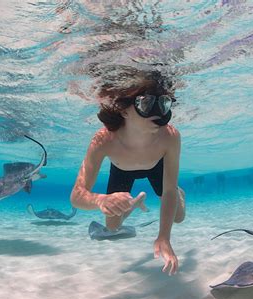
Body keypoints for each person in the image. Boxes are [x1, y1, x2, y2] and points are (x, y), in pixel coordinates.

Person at [70, 69, 186, 275]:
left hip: (155, 168)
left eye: (163, 103)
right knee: (112, 226)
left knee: (178, 217)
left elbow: (167, 192)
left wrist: (163, 237)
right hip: (122, 170)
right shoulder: (104, 140)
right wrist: (101, 200)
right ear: (124, 110)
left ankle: (181, 194)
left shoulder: (170, 136)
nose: (157, 112)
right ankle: (133, 204)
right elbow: (77, 196)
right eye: (146, 104)